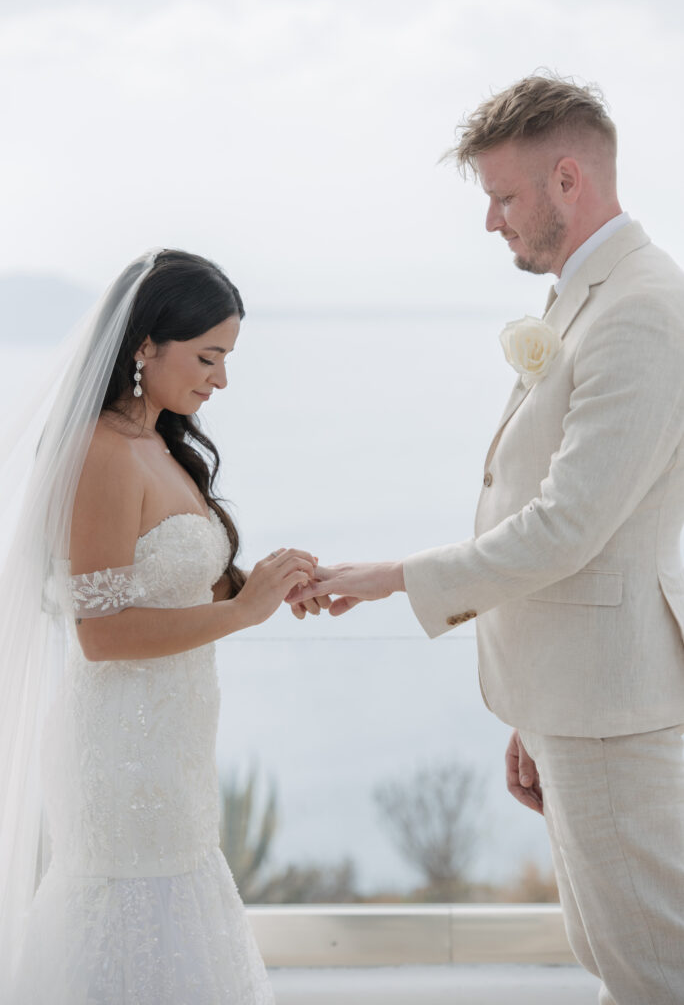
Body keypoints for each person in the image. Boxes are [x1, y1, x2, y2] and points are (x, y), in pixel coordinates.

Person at [290, 74, 684, 1004]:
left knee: (653, 969)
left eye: (503, 198)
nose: (491, 222)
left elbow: (567, 527)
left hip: (614, 713)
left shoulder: (639, 311)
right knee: (610, 956)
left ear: (566, 179)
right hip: (577, 698)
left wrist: (393, 576)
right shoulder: (591, 294)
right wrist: (529, 707)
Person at [0, 249, 323, 1003]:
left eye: (227, 358)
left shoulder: (161, 443)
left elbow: (171, 580)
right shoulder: (100, 452)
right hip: (118, 752)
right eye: (208, 356)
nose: (221, 379)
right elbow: (100, 632)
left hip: (170, 747)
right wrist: (241, 613)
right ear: (146, 344)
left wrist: (269, 584)